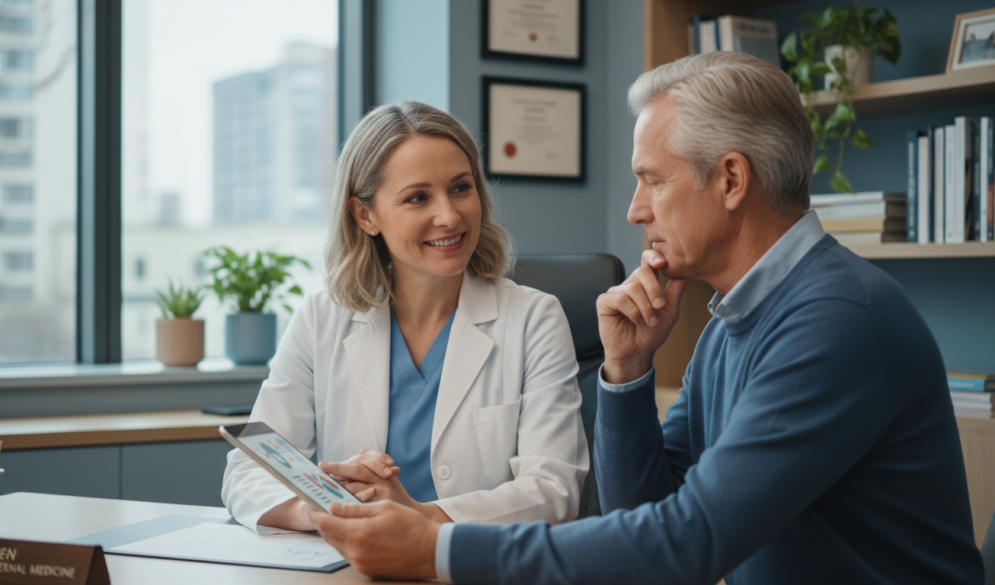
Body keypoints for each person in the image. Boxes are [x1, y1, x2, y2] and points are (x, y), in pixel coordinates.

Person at [313, 52, 985, 584]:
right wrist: (629, 372)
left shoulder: (834, 320)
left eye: (652, 180)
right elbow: (644, 519)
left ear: (729, 180)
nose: (636, 210)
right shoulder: (734, 316)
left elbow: (686, 544)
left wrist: (439, 548)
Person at [221, 101, 589, 533]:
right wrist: (327, 510)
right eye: (418, 197)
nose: (449, 216)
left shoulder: (534, 319)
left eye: (460, 188)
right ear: (365, 214)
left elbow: (553, 491)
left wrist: (416, 517)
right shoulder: (321, 318)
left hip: (473, 567)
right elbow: (247, 472)